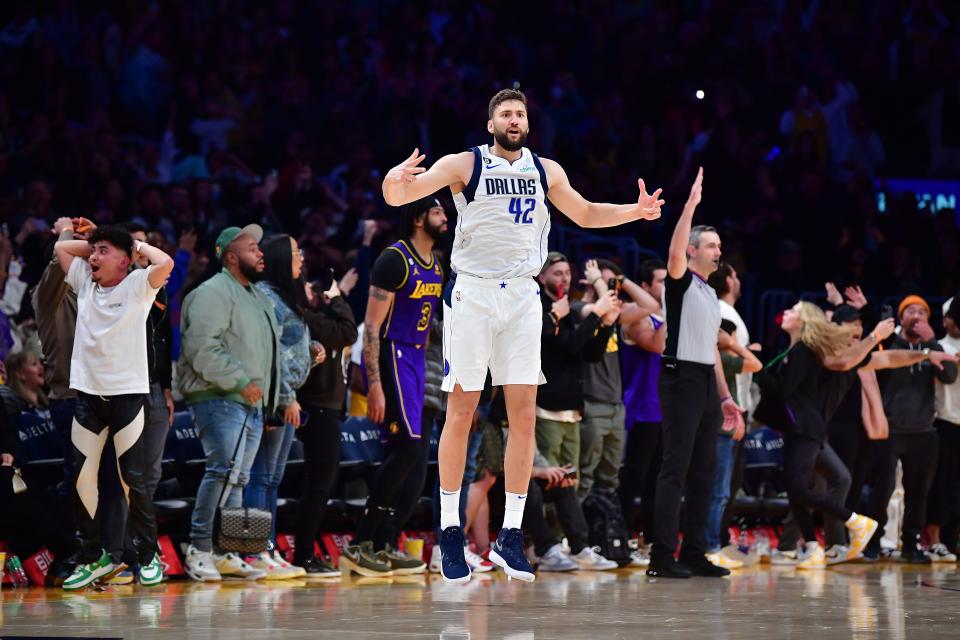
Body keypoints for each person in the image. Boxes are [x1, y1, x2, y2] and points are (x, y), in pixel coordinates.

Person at [381, 87, 663, 583]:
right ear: (491, 124)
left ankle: (511, 535)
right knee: (462, 412)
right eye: (505, 114)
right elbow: (398, 195)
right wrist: (392, 179)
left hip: (522, 297)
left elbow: (587, 212)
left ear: (528, 124)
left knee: (524, 415)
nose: (513, 119)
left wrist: (634, 213)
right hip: (473, 293)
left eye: (520, 114)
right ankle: (449, 530)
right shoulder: (464, 164)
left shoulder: (545, 170)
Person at [54, 224, 174, 589]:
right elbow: (61, 250)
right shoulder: (85, 284)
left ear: (125, 261)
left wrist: (137, 246)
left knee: (131, 481)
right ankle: (92, 557)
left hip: (127, 396)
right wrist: (85, 239)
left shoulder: (138, 285)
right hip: (89, 396)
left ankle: (149, 556)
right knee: (80, 478)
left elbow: (165, 262)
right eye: (93, 250)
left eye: (103, 251)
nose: (92, 256)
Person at [340, 196, 447, 577]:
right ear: (418, 218)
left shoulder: (437, 263)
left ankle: (385, 544)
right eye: (437, 212)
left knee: (415, 463)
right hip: (393, 355)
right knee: (405, 451)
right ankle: (361, 543)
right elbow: (370, 328)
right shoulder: (395, 259)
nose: (444, 217)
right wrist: (375, 386)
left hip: (420, 359)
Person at [647, 168, 744, 580]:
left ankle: (695, 553)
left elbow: (712, 353)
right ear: (692, 251)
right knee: (676, 469)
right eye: (711, 245)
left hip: (704, 381)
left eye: (719, 245)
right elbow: (672, 255)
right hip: (680, 379)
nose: (718, 251)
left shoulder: (708, 293)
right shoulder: (681, 283)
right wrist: (689, 206)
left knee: (704, 472)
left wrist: (724, 396)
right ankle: (661, 556)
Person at [179, 224, 281, 582]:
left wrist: (271, 399)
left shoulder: (255, 296)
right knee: (222, 470)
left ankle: (225, 550)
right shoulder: (212, 292)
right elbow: (201, 348)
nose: (261, 253)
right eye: (252, 248)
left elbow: (268, 356)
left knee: (237, 477)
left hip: (250, 401)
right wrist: (240, 381)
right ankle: (200, 547)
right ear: (232, 256)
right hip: (219, 396)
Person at [774, 302, 890, 569]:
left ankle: (854, 523)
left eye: (793, 310)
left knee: (805, 487)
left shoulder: (810, 350)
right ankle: (812, 547)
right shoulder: (794, 350)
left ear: (805, 321)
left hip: (808, 427)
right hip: (800, 427)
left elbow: (852, 358)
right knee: (799, 488)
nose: (786, 312)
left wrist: (877, 337)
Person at [535, 252, 620, 571]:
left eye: (567, 273)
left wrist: (606, 325)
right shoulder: (544, 309)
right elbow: (568, 345)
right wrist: (596, 315)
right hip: (545, 408)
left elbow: (590, 354)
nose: (564, 279)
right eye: (557, 273)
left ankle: (572, 545)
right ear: (542, 277)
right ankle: (543, 546)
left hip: (572, 409)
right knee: (548, 480)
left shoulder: (568, 309)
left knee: (570, 481)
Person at [243, 234, 315, 579]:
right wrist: (285, 396)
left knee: (272, 479)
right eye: (296, 252)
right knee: (260, 478)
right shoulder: (268, 297)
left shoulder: (285, 296)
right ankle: (256, 552)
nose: (301, 258)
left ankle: (267, 549)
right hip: (275, 399)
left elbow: (289, 347)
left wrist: (311, 350)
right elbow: (268, 353)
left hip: (288, 397)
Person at [865, 295, 958, 563]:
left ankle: (910, 544)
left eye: (922, 312)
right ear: (900, 317)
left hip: (923, 431)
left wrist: (930, 341)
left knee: (918, 492)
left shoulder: (934, 348)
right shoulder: (890, 344)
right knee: (882, 490)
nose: (916, 316)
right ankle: (874, 542)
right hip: (891, 429)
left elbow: (949, 377)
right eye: (910, 311)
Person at [292, 268, 357, 579]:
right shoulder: (310, 319)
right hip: (317, 410)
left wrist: (334, 298)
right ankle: (303, 553)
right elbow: (349, 331)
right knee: (318, 485)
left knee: (321, 484)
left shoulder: (320, 319)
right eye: (308, 286)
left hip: (327, 410)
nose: (312, 290)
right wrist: (337, 296)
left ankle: (305, 550)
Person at [575, 258, 658, 500]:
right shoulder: (578, 309)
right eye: (603, 281)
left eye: (612, 282)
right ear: (589, 281)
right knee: (586, 474)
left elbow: (650, 305)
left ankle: (603, 531)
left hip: (615, 406)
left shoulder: (617, 315)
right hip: (591, 403)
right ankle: (578, 536)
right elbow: (604, 310)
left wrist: (622, 281)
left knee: (611, 477)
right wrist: (599, 283)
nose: (609, 287)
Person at [619, 258, 668, 567]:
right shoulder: (638, 318)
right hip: (641, 407)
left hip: (665, 408)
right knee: (633, 478)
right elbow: (655, 346)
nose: (668, 286)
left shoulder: (662, 315)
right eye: (662, 281)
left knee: (658, 481)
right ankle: (622, 537)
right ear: (647, 286)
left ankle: (649, 540)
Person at [705, 322, 760, 569]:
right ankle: (711, 546)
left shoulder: (720, 359)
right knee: (718, 493)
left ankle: (713, 544)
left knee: (719, 492)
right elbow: (755, 364)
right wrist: (733, 344)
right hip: (720, 432)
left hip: (720, 431)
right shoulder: (723, 359)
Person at [928, 296, 960, 561]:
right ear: (945, 319)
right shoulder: (939, 346)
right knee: (942, 484)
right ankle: (936, 540)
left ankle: (953, 540)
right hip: (945, 421)